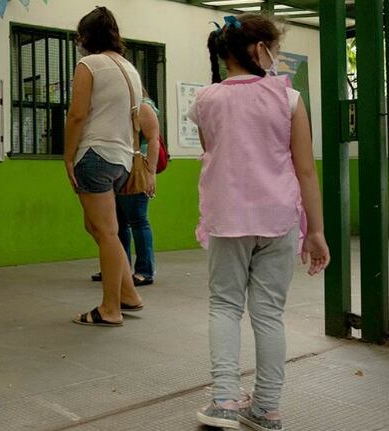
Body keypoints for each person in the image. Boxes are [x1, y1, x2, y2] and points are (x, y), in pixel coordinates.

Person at [190, 14, 330, 431]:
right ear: (259, 50)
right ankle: (266, 408)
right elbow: (305, 170)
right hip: (279, 219)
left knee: (224, 306)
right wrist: (316, 231)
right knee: (268, 313)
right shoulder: (288, 98)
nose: (278, 57)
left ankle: (225, 402)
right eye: (276, 49)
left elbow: (213, 150)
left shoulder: (205, 100)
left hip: (227, 218)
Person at [64, 6, 146, 327]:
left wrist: (68, 156)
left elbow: (77, 115)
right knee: (98, 228)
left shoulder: (89, 64)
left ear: (86, 37)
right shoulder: (131, 69)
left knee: (107, 232)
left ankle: (110, 308)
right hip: (122, 158)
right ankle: (128, 294)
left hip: (95, 154)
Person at [91, 89, 160, 286]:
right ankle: (119, 268)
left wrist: (150, 173)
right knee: (117, 223)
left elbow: (154, 139)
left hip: (136, 169)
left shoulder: (143, 106)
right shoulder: (121, 106)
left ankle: (145, 271)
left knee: (138, 220)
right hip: (118, 167)